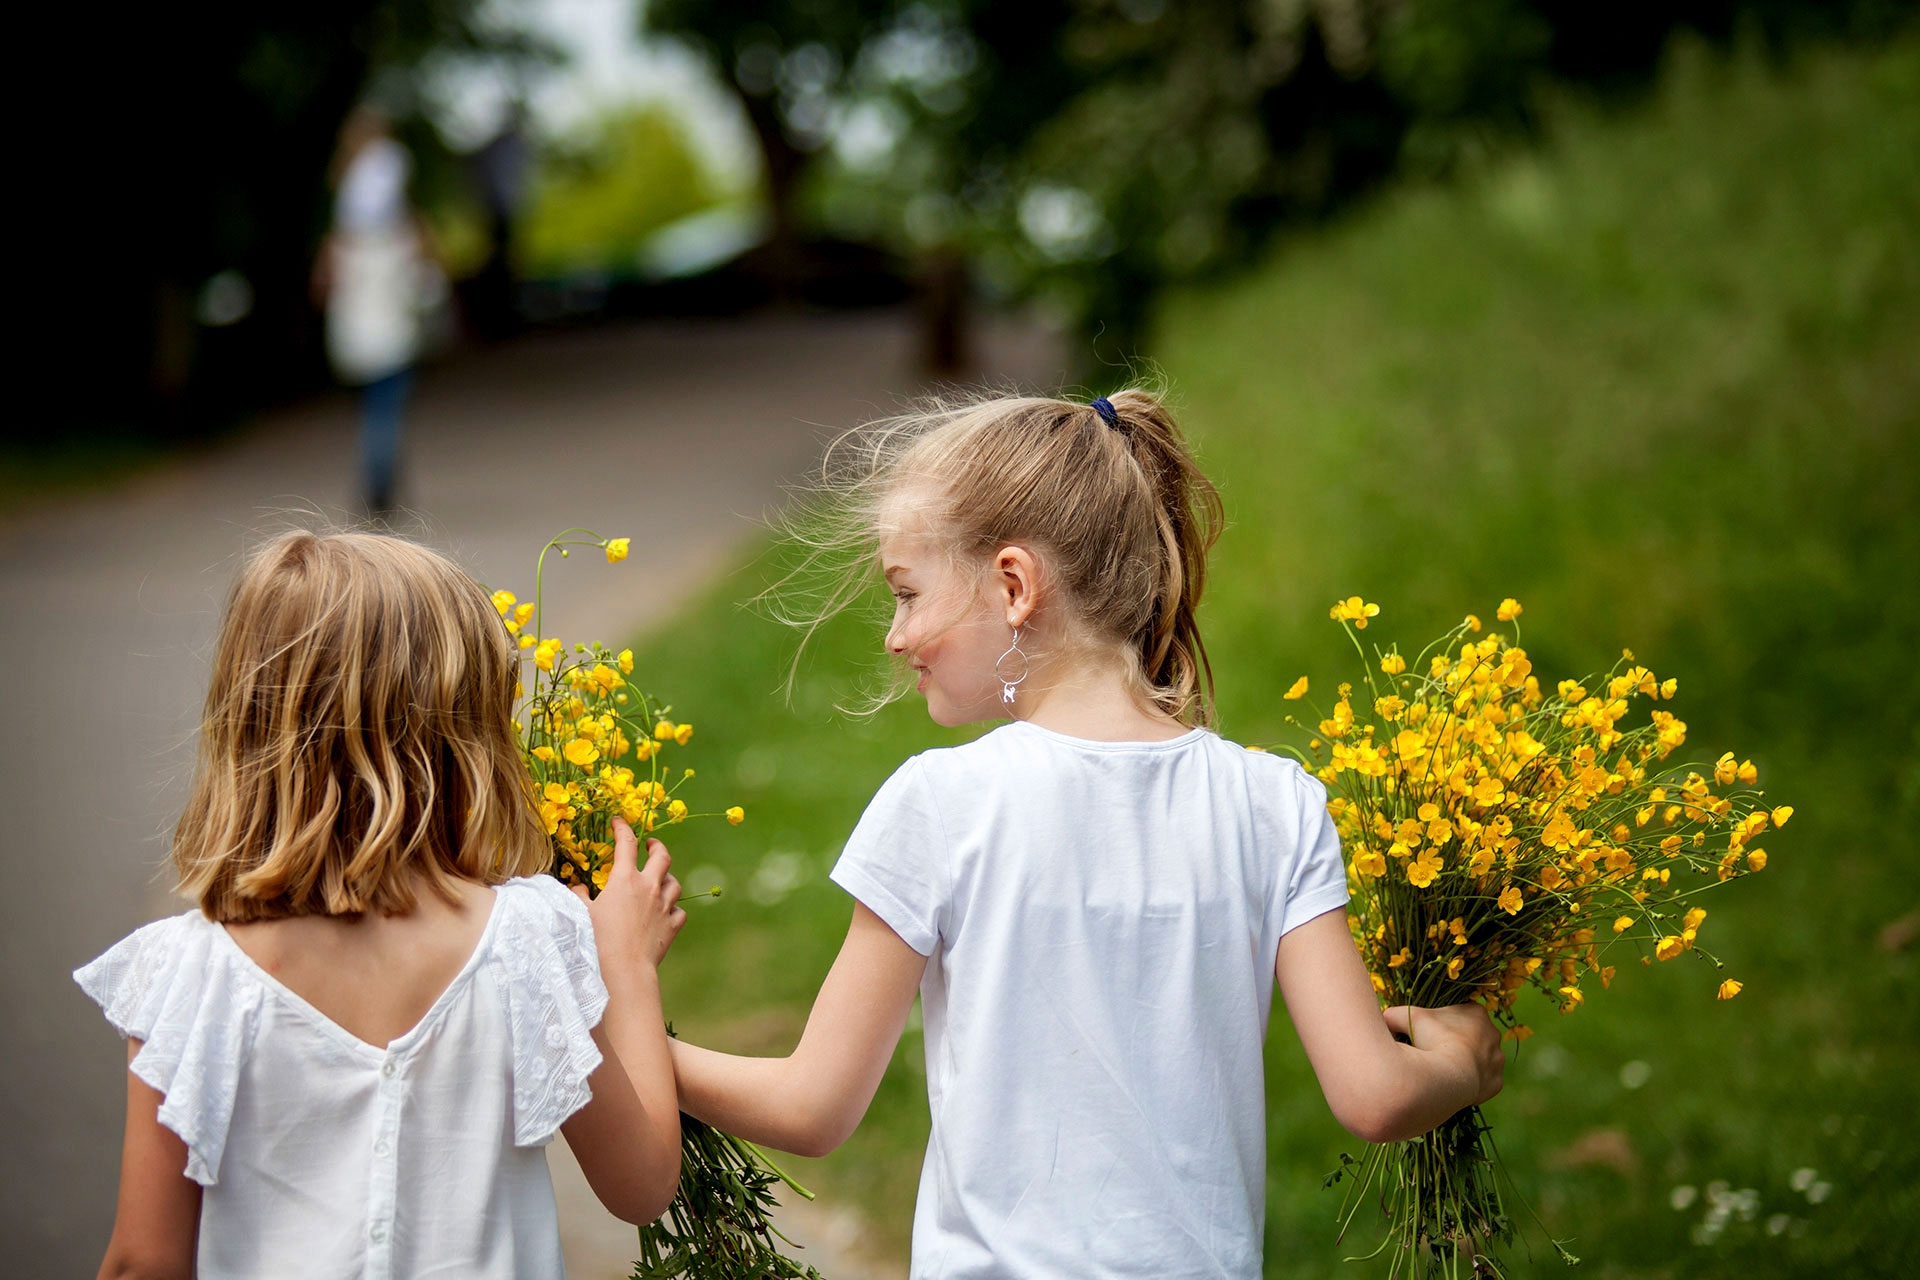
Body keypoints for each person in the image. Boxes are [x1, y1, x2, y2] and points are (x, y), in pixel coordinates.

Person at [630, 390, 1506, 1278]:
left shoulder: (943, 802)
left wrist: (631, 1041)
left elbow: (813, 1107)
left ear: (1014, 585)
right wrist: (1467, 1060)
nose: (895, 638)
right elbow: (1375, 1095)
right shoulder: (1272, 802)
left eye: (906, 594)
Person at [76, 531, 686, 1279]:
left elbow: (144, 1262)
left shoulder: (190, 975)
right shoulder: (526, 937)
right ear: (463, 737)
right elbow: (643, 1184)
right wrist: (627, 964)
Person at [315, 110, 440, 517]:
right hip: (389, 317)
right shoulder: (390, 168)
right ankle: (379, 488)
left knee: (377, 403)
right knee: (387, 404)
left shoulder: (345, 202)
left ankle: (384, 484)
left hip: (356, 325)